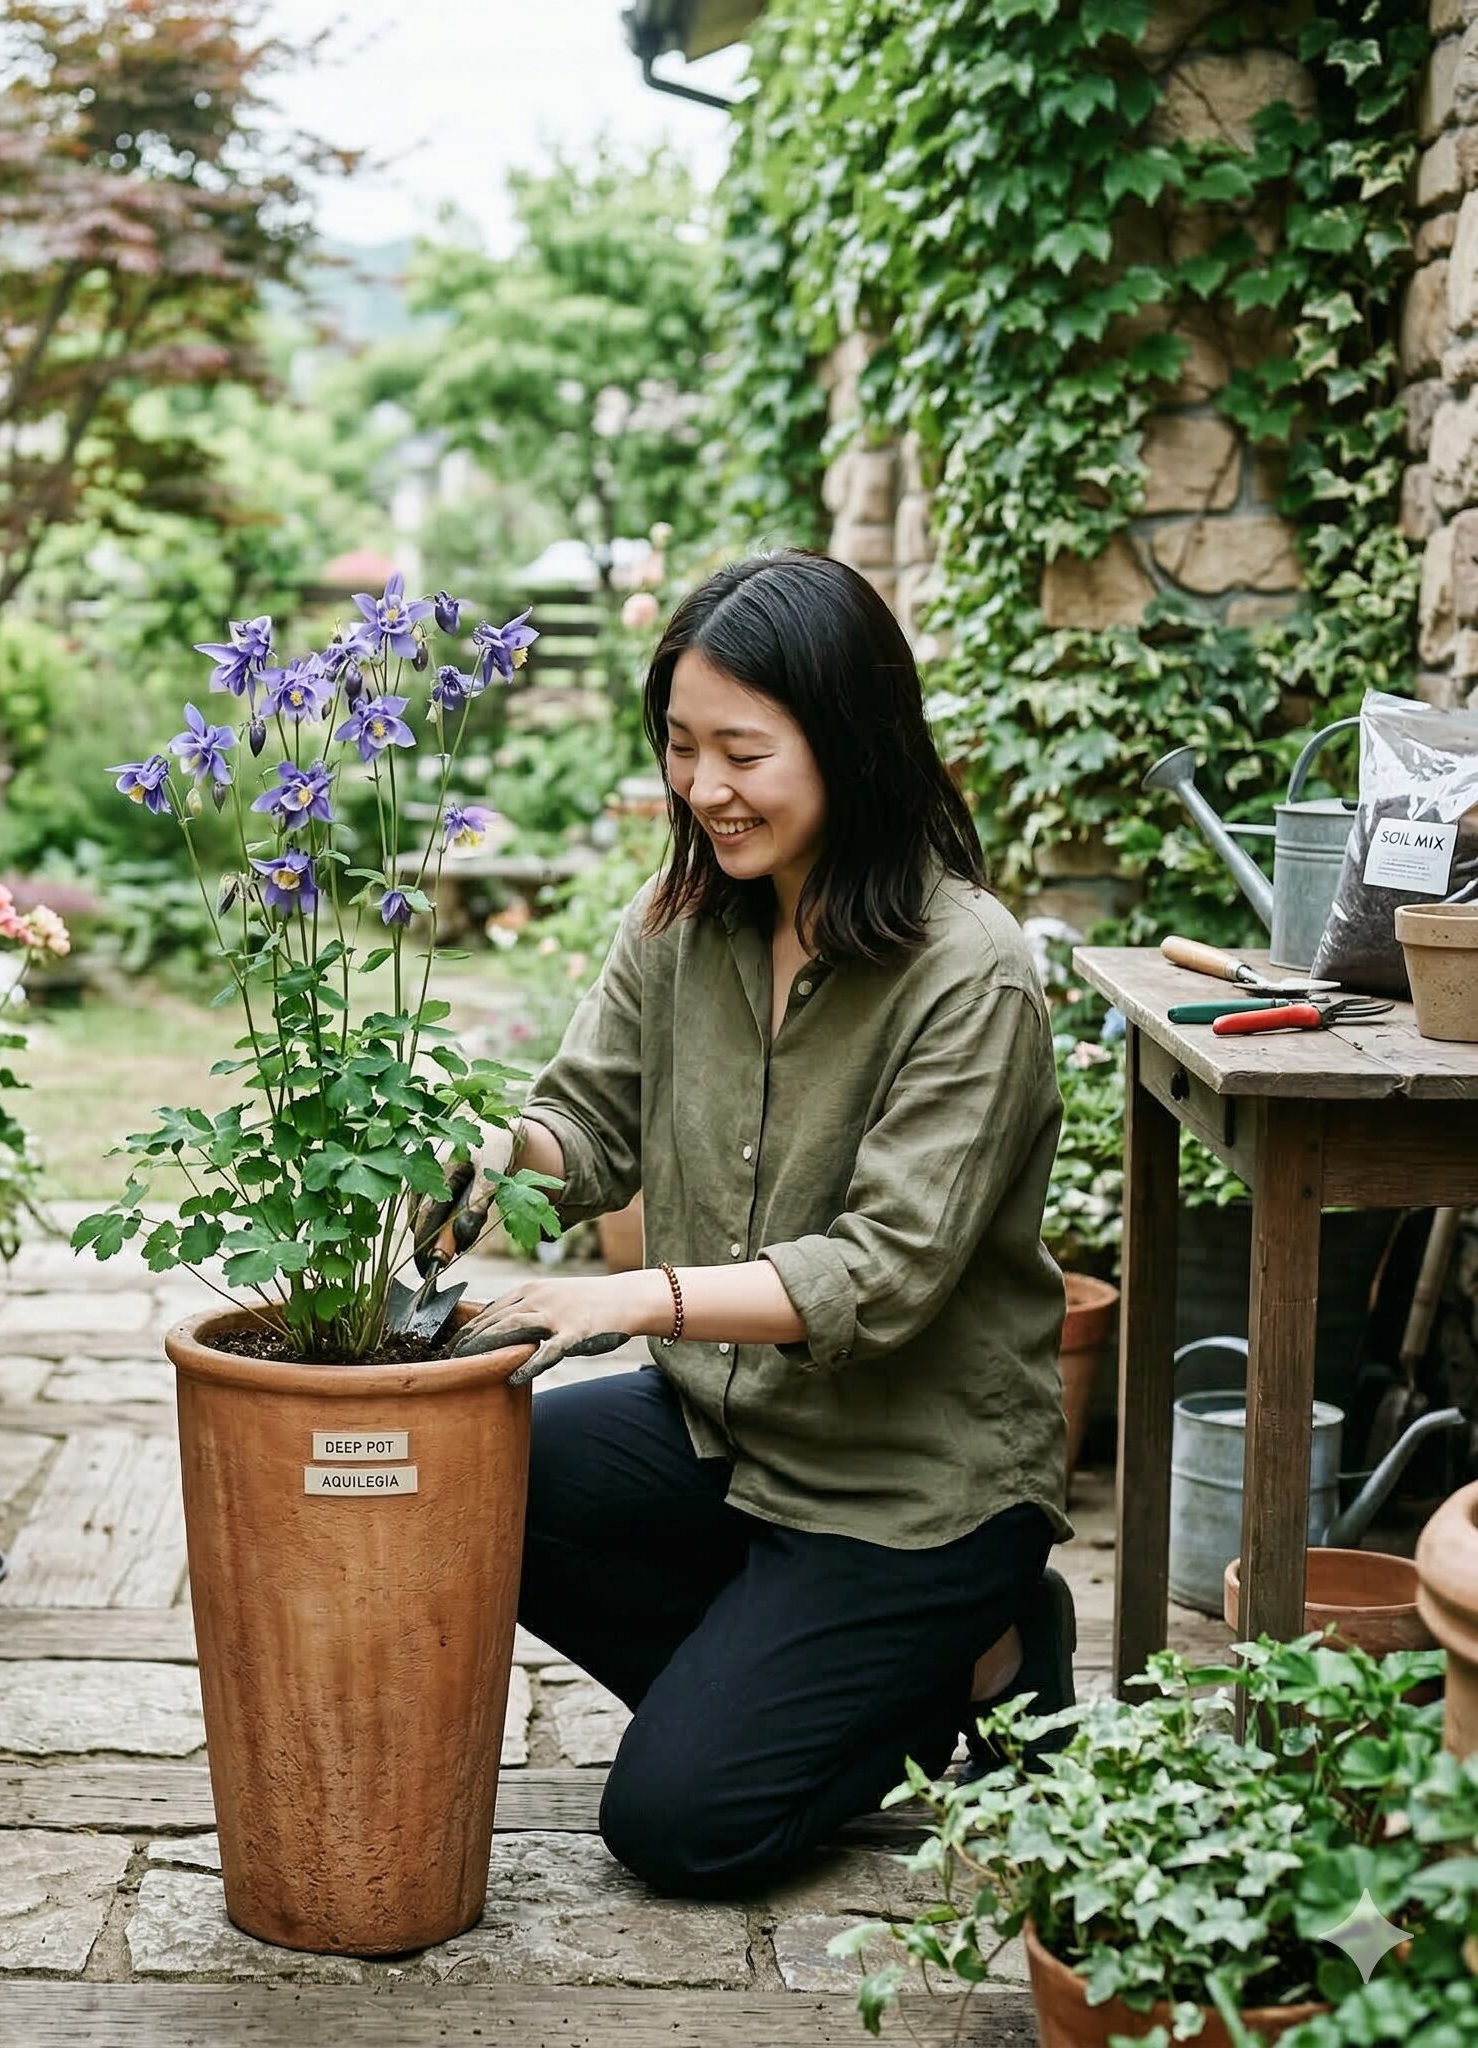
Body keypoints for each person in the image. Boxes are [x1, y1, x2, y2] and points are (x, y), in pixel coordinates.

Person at [433, 548, 1075, 1900]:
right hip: (725, 1430)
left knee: (677, 1827)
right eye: (680, 746)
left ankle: (976, 1653)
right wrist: (491, 1149)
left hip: (911, 1483)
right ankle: (831, 1684)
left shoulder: (973, 973)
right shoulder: (679, 926)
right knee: (472, 1469)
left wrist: (624, 1301)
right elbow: (588, 1131)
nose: (703, 788)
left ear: (848, 741)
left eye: (742, 750)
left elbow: (883, 1273)